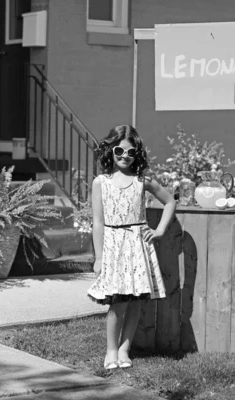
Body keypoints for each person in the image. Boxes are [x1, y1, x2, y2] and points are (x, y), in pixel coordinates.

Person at [87, 124, 176, 370]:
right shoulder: (100, 182)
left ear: (137, 154)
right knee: (117, 302)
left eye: (130, 152)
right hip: (114, 247)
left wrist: (159, 231)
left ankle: (125, 350)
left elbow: (169, 202)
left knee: (135, 301)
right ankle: (111, 351)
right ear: (110, 151)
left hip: (138, 246)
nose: (124, 156)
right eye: (119, 150)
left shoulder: (142, 181)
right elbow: (97, 222)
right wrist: (99, 258)